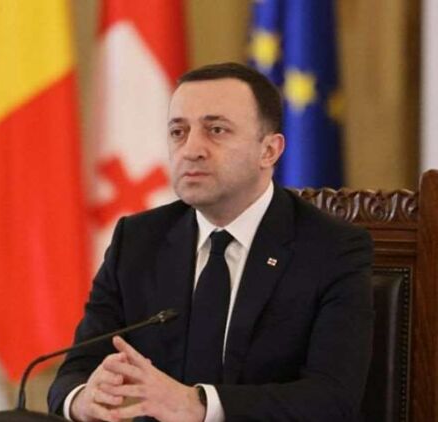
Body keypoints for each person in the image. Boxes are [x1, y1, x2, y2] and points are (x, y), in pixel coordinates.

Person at [48, 62, 374, 422]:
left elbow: (332, 399)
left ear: (269, 150)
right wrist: (83, 400)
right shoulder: (138, 240)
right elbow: (74, 372)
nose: (191, 149)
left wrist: (200, 405)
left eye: (216, 130)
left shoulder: (332, 249)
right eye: (178, 132)